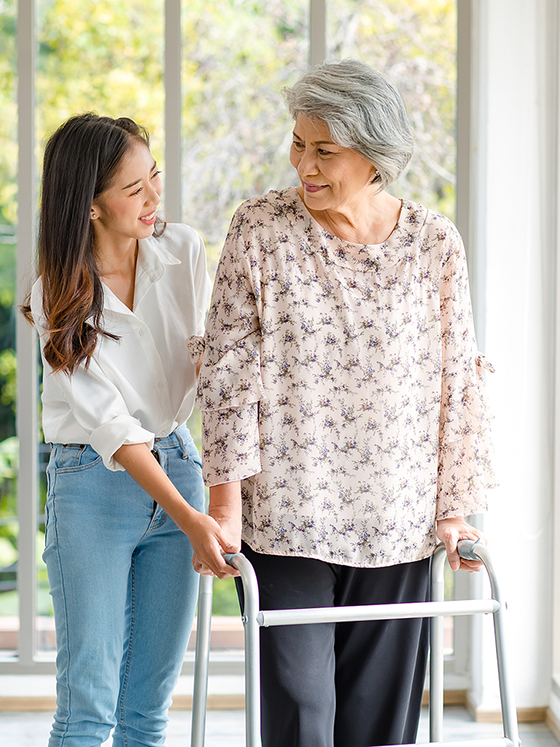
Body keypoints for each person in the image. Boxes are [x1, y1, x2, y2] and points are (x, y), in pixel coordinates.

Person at [192, 59, 497, 747]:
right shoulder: (260, 230)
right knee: (301, 719)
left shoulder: (434, 245)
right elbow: (230, 374)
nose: (304, 163)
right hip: (283, 523)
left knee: (377, 728)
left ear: (374, 154)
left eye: (324, 150)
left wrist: (453, 507)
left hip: (397, 521)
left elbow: (456, 380)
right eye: (298, 143)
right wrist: (225, 509)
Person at [23, 113, 232, 747]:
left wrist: (216, 493)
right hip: (93, 484)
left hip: (179, 459)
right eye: (134, 189)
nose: (154, 199)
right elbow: (110, 426)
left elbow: (210, 360)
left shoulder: (183, 250)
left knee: (148, 709)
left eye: (155, 177)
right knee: (88, 707)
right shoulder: (55, 299)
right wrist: (189, 516)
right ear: (89, 205)